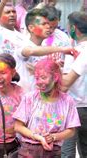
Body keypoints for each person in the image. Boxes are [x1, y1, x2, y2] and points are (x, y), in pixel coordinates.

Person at [13, 59, 80, 157]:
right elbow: (18, 126)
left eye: (43, 77)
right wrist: (37, 137)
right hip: (28, 151)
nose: (39, 82)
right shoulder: (30, 98)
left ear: (55, 77)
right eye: (37, 78)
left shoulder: (67, 101)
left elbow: (71, 130)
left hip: (53, 152)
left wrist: (53, 137)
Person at [61, 11, 87, 158]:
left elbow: (65, 84)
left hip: (75, 107)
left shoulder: (75, 52)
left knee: (67, 150)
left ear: (74, 29)